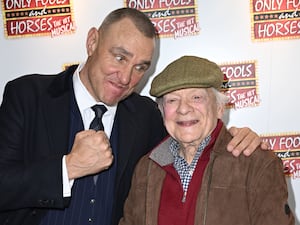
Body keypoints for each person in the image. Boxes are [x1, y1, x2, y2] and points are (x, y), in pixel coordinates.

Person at [0, 8, 266, 225]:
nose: (127, 78)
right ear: (92, 42)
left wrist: (237, 140)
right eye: (119, 57)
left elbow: (190, 147)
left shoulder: (145, 115)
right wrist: (67, 168)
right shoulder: (28, 96)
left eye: (140, 67)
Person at [119, 56, 294, 225]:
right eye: (172, 100)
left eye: (196, 98)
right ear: (163, 111)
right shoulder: (146, 168)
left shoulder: (257, 164)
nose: (184, 109)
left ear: (219, 108)